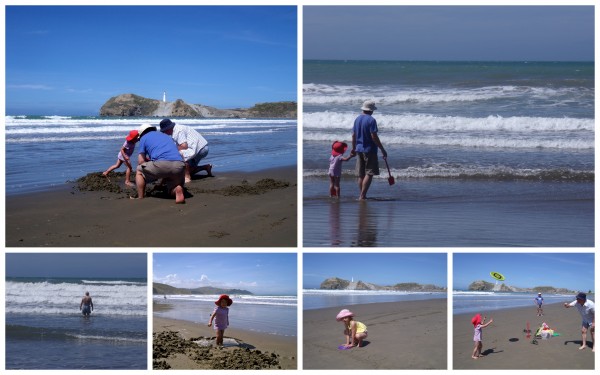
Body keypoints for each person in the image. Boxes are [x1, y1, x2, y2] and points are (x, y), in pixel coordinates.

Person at [134, 123, 186, 204]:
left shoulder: (144, 138)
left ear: (142, 133)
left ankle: (140, 197)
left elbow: (141, 161)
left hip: (162, 165)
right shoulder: (166, 136)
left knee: (139, 170)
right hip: (179, 165)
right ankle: (177, 189)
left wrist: (151, 171)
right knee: (171, 187)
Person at [351, 100, 388, 200]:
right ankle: (362, 195)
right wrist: (382, 149)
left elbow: (353, 135)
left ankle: (362, 194)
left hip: (359, 149)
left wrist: (353, 148)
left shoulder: (357, 119)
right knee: (369, 173)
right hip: (370, 149)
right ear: (371, 110)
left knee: (361, 174)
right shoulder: (371, 120)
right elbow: (374, 136)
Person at [159, 119, 213, 183]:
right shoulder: (177, 128)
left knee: (181, 156)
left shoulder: (178, 131)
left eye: (164, 131)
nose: (165, 133)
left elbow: (184, 146)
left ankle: (187, 177)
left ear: (168, 129)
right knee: (186, 169)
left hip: (200, 149)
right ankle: (206, 167)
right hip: (201, 147)